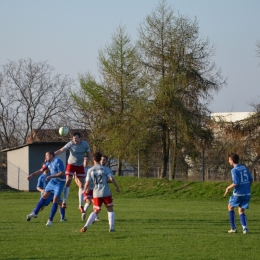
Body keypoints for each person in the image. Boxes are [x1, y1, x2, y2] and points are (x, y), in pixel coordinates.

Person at [80, 152, 120, 233]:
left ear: (93, 159)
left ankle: (86, 226)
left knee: (96, 211)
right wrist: (117, 187)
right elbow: (111, 179)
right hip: (105, 192)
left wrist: (84, 190)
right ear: (100, 159)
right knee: (110, 209)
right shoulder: (106, 169)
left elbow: (87, 183)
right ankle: (111, 228)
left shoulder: (90, 170)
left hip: (96, 193)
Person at [54, 132, 92, 214]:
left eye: (76, 138)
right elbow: (62, 150)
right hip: (71, 164)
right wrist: (53, 154)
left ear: (80, 138)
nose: (75, 140)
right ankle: (64, 202)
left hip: (80, 165)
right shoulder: (70, 144)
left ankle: (80, 205)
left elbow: (89, 154)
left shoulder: (85, 144)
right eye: (74, 138)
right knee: (68, 181)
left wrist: (93, 162)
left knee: (82, 184)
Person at [26, 151, 66, 226]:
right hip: (52, 182)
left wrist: (51, 176)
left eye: (46, 155)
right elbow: (41, 170)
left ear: (51, 155)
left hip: (59, 183)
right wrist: (32, 175)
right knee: (44, 195)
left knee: (55, 200)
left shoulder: (58, 161)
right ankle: (35, 213)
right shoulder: (48, 163)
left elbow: (62, 173)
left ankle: (50, 220)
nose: (45, 157)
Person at [224, 153, 253, 234]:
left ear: (232, 161)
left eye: (229, 159)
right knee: (241, 211)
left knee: (230, 207)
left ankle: (233, 228)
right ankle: (245, 228)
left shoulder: (234, 170)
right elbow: (251, 180)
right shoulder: (244, 167)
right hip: (247, 193)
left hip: (238, 194)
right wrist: (247, 188)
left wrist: (228, 187)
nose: (228, 161)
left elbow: (236, 182)